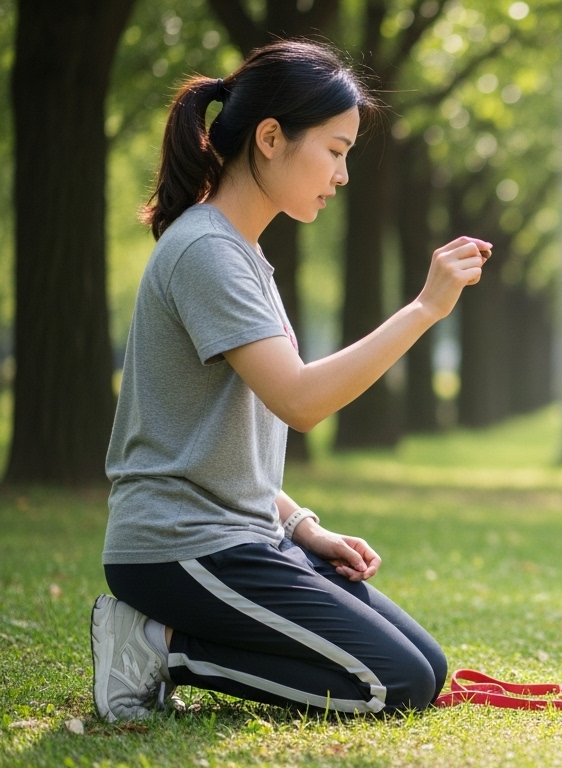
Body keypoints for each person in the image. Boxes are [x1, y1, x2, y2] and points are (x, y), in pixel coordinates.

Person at [92, 41, 492, 722]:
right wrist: (424, 308)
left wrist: (302, 527)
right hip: (180, 548)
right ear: (271, 138)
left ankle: (171, 639)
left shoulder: (241, 253)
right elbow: (301, 401)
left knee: (425, 666)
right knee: (390, 683)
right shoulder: (205, 251)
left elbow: (214, 442)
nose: (341, 176)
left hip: (242, 536)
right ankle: (157, 644)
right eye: (334, 151)